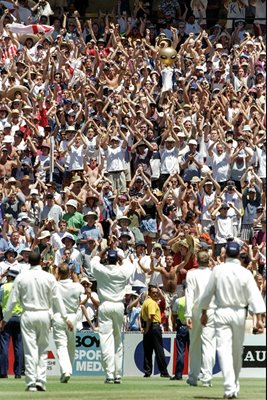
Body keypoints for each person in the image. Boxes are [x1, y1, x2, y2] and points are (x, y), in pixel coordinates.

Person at [199, 242, 265, 399]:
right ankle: (231, 387)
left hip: (222, 312)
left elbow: (208, 293)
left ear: (226, 254)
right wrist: (260, 319)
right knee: (235, 351)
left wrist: (203, 311)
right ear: (238, 256)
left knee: (226, 350)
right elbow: (254, 296)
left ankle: (232, 385)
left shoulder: (218, 270)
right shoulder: (245, 273)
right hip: (238, 313)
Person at [0, 252, 73, 392]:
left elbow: (12, 301)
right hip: (44, 314)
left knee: (30, 349)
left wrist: (5, 319)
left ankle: (32, 382)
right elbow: (57, 299)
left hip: (28, 314)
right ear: (41, 260)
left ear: (28, 261)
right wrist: (65, 318)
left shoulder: (21, 277)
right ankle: (40, 380)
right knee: (43, 349)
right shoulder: (49, 277)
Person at [90, 247, 134, 384]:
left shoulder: (101, 270)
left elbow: (94, 261)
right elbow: (128, 264)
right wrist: (118, 253)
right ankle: (118, 375)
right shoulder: (122, 271)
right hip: (119, 306)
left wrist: (105, 250)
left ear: (106, 259)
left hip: (105, 305)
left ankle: (109, 374)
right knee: (118, 341)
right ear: (117, 260)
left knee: (106, 340)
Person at [185, 248, 216, 387]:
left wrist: (187, 315)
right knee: (208, 344)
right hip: (211, 310)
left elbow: (189, 295)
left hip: (197, 311)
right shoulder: (215, 274)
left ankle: (193, 377)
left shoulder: (191, 274)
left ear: (197, 260)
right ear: (209, 261)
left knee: (195, 344)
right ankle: (206, 377)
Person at [52, 263, 84, 383]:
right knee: (71, 346)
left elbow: (52, 282)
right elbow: (81, 288)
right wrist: (74, 275)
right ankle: (67, 370)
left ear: (59, 273)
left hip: (59, 316)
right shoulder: (76, 286)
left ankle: (66, 370)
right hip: (72, 317)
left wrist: (56, 273)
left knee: (62, 346)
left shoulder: (55, 285)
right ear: (69, 273)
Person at [140, 285, 170, 378]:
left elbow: (141, 317)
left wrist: (144, 327)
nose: (156, 294)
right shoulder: (152, 303)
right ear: (149, 293)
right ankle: (164, 372)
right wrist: (148, 328)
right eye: (153, 292)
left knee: (148, 350)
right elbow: (150, 316)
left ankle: (147, 371)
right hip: (153, 326)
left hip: (148, 326)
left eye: (156, 292)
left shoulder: (145, 302)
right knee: (159, 350)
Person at [0, 269, 23, 379]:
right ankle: (18, 373)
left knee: (4, 345)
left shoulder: (3, 287)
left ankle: (3, 372)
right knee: (18, 345)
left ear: (9, 277)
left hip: (6, 318)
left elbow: (0, 303)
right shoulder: (20, 288)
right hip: (19, 317)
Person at [170, 281, 189, 381]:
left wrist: (173, 325)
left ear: (183, 289)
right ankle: (196, 374)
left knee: (181, 352)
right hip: (192, 328)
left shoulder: (179, 301)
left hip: (182, 327)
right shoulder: (196, 301)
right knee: (194, 353)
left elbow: (174, 314)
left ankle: (178, 375)